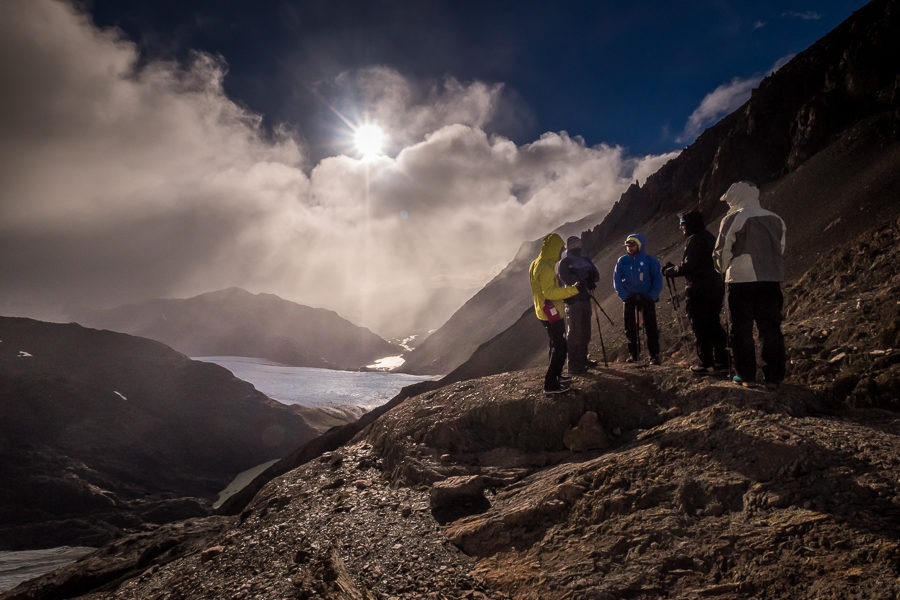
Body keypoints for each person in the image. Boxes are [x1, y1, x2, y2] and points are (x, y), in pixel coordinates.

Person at [713, 181, 787, 388]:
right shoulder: (776, 219)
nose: (728, 204)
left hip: (741, 280)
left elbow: (722, 250)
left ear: (735, 198)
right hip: (770, 279)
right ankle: (774, 376)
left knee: (740, 328)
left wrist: (723, 269)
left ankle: (745, 375)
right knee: (770, 328)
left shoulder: (733, 218)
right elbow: (780, 248)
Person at [662, 210, 729, 374]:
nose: (681, 227)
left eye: (682, 224)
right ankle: (723, 362)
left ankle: (706, 363)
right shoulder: (709, 237)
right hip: (715, 286)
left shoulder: (694, 240)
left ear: (689, 224)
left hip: (698, 289)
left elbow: (688, 266)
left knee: (699, 325)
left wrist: (670, 271)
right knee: (713, 323)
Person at [530, 233, 579, 395]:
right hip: (551, 313)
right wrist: (573, 290)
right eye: (561, 249)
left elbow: (540, 289)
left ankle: (556, 377)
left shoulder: (536, 263)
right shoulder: (545, 267)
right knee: (560, 347)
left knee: (554, 344)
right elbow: (549, 292)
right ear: (554, 249)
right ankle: (550, 384)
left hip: (542, 311)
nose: (562, 252)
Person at [613, 233, 663, 364]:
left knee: (650, 326)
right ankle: (634, 355)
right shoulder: (622, 261)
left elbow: (657, 279)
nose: (629, 248)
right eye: (628, 246)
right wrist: (624, 296)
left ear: (639, 245)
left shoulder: (650, 260)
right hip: (630, 298)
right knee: (630, 328)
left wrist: (652, 296)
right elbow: (616, 280)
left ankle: (654, 355)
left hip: (646, 297)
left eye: (633, 245)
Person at [556, 235, 600, 374]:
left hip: (585, 299)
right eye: (573, 245)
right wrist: (584, 279)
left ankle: (583, 359)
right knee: (575, 332)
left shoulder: (585, 259)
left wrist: (591, 279)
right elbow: (566, 279)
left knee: (586, 331)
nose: (576, 247)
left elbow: (595, 274)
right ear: (569, 247)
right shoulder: (564, 263)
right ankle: (574, 365)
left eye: (578, 244)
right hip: (573, 301)